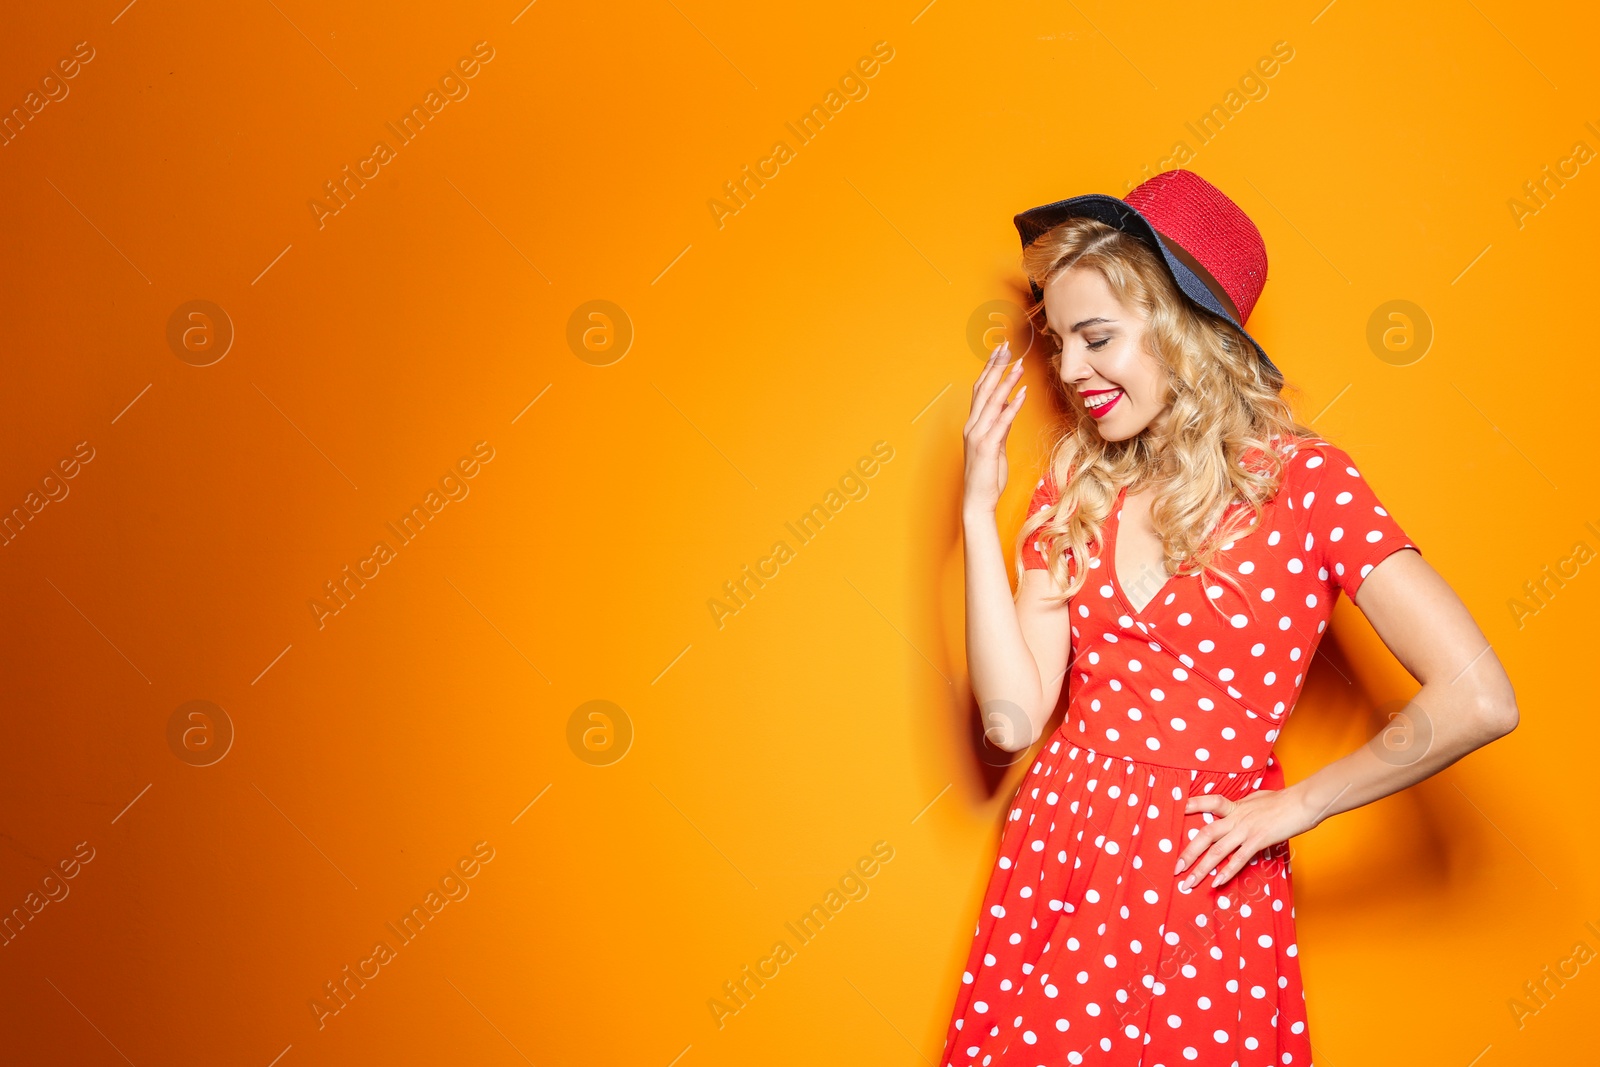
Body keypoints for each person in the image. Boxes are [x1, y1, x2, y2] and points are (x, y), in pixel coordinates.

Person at [946, 169, 1518, 1066]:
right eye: (1058, 342)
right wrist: (979, 513)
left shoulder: (1305, 483)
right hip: (1058, 854)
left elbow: (1480, 694)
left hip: (1203, 866)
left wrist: (1298, 805)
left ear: (1184, 332)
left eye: (1097, 337)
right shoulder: (1075, 487)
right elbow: (1013, 718)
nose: (1069, 370)